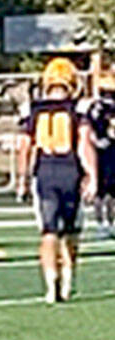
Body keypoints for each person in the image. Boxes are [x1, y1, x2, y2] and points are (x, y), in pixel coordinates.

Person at [16, 57, 97, 303]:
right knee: (71, 231)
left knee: (48, 231)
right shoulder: (78, 108)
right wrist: (92, 175)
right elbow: (84, 143)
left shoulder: (32, 108)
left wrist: (22, 178)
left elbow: (24, 146)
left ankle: (51, 285)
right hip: (70, 169)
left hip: (45, 171)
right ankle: (68, 280)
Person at [84, 72, 115, 238]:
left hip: (110, 150)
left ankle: (108, 222)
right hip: (102, 152)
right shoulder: (96, 108)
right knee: (102, 191)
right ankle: (102, 223)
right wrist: (96, 141)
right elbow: (88, 129)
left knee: (110, 191)